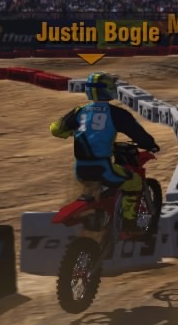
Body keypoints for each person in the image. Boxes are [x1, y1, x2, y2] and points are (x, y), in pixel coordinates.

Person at [49, 72, 160, 236]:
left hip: (80, 171)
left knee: (103, 186)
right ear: (107, 90)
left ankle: (105, 215)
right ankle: (129, 223)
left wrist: (73, 133)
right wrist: (150, 144)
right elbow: (138, 134)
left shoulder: (79, 111)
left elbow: (55, 129)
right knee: (134, 182)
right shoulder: (116, 113)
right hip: (103, 169)